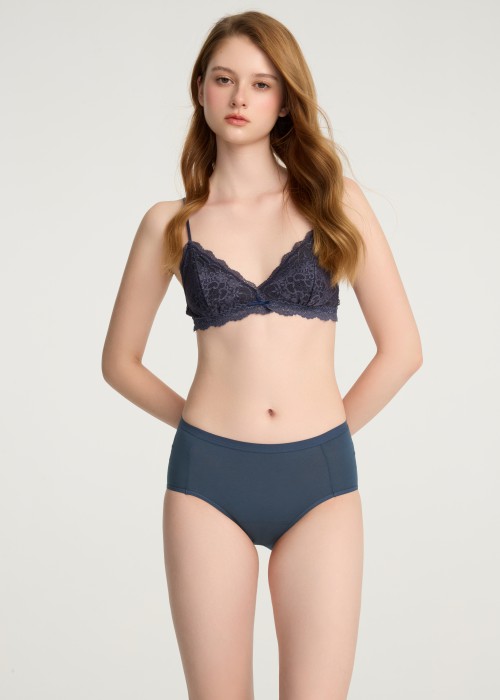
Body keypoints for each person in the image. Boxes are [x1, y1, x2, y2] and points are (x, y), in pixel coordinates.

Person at [102, 10, 423, 700]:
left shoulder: (334, 201)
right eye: (224, 80)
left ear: (284, 100)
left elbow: (403, 349)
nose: (240, 98)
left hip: (320, 480)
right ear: (201, 90)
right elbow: (119, 362)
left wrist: (326, 439)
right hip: (207, 483)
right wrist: (203, 431)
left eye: (260, 83)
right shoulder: (170, 224)